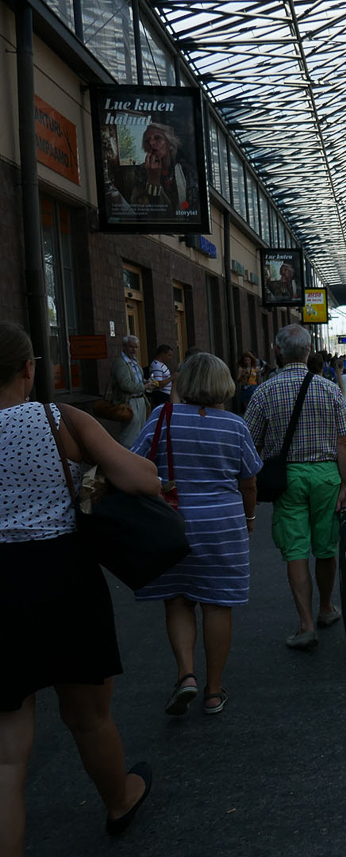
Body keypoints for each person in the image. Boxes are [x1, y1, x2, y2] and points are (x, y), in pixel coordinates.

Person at [0, 322, 160, 852]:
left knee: (5, 751)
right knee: (89, 717)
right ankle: (119, 800)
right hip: (63, 577)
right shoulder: (57, 419)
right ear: (29, 369)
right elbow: (142, 480)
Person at [130, 354, 262, 716]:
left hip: (171, 525)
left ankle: (185, 675)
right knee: (217, 604)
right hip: (223, 526)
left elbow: (135, 463)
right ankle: (214, 691)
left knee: (177, 600)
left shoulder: (162, 418)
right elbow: (249, 481)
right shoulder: (235, 426)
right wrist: (249, 518)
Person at [243, 325, 346, 650]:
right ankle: (325, 608)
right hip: (326, 476)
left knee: (295, 550)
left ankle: (306, 624)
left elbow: (249, 443)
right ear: (309, 352)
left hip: (286, 478)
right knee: (325, 546)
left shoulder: (264, 391)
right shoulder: (329, 389)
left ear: (277, 352)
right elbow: (344, 443)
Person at [110, 335, 151, 447]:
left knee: (140, 431)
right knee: (129, 434)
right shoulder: (121, 363)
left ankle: (137, 454)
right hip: (130, 401)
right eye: (131, 347)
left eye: (136, 347)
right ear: (124, 347)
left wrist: (146, 382)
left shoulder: (135, 362)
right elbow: (125, 385)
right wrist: (144, 386)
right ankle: (127, 455)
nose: (134, 350)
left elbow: (137, 379)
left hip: (140, 400)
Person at [147, 345, 174, 410]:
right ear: (162, 354)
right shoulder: (156, 366)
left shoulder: (162, 365)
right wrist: (172, 377)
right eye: (169, 355)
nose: (170, 358)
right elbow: (158, 384)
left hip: (166, 394)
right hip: (161, 395)